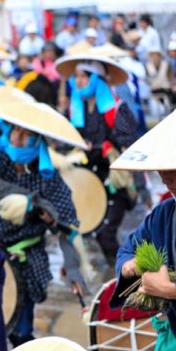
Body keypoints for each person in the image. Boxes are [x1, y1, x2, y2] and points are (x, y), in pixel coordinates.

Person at [0, 99, 81, 348]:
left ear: (38, 141)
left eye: (27, 134)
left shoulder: (47, 176)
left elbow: (67, 224)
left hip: (28, 254)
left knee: (21, 327)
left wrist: (74, 268)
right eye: (16, 130)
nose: (18, 137)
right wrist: (33, 201)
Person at [115, 109, 176, 351]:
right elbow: (128, 248)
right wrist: (129, 265)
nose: (163, 177)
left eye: (172, 167)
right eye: (159, 168)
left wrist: (172, 291)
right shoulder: (164, 213)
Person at [56, 54, 139, 266]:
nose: (78, 81)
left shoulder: (118, 109)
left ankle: (127, 275)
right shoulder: (77, 109)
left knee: (106, 234)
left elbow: (131, 144)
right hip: (89, 179)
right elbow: (68, 140)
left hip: (113, 181)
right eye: (76, 77)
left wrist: (107, 146)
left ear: (96, 79)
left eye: (83, 76)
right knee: (86, 229)